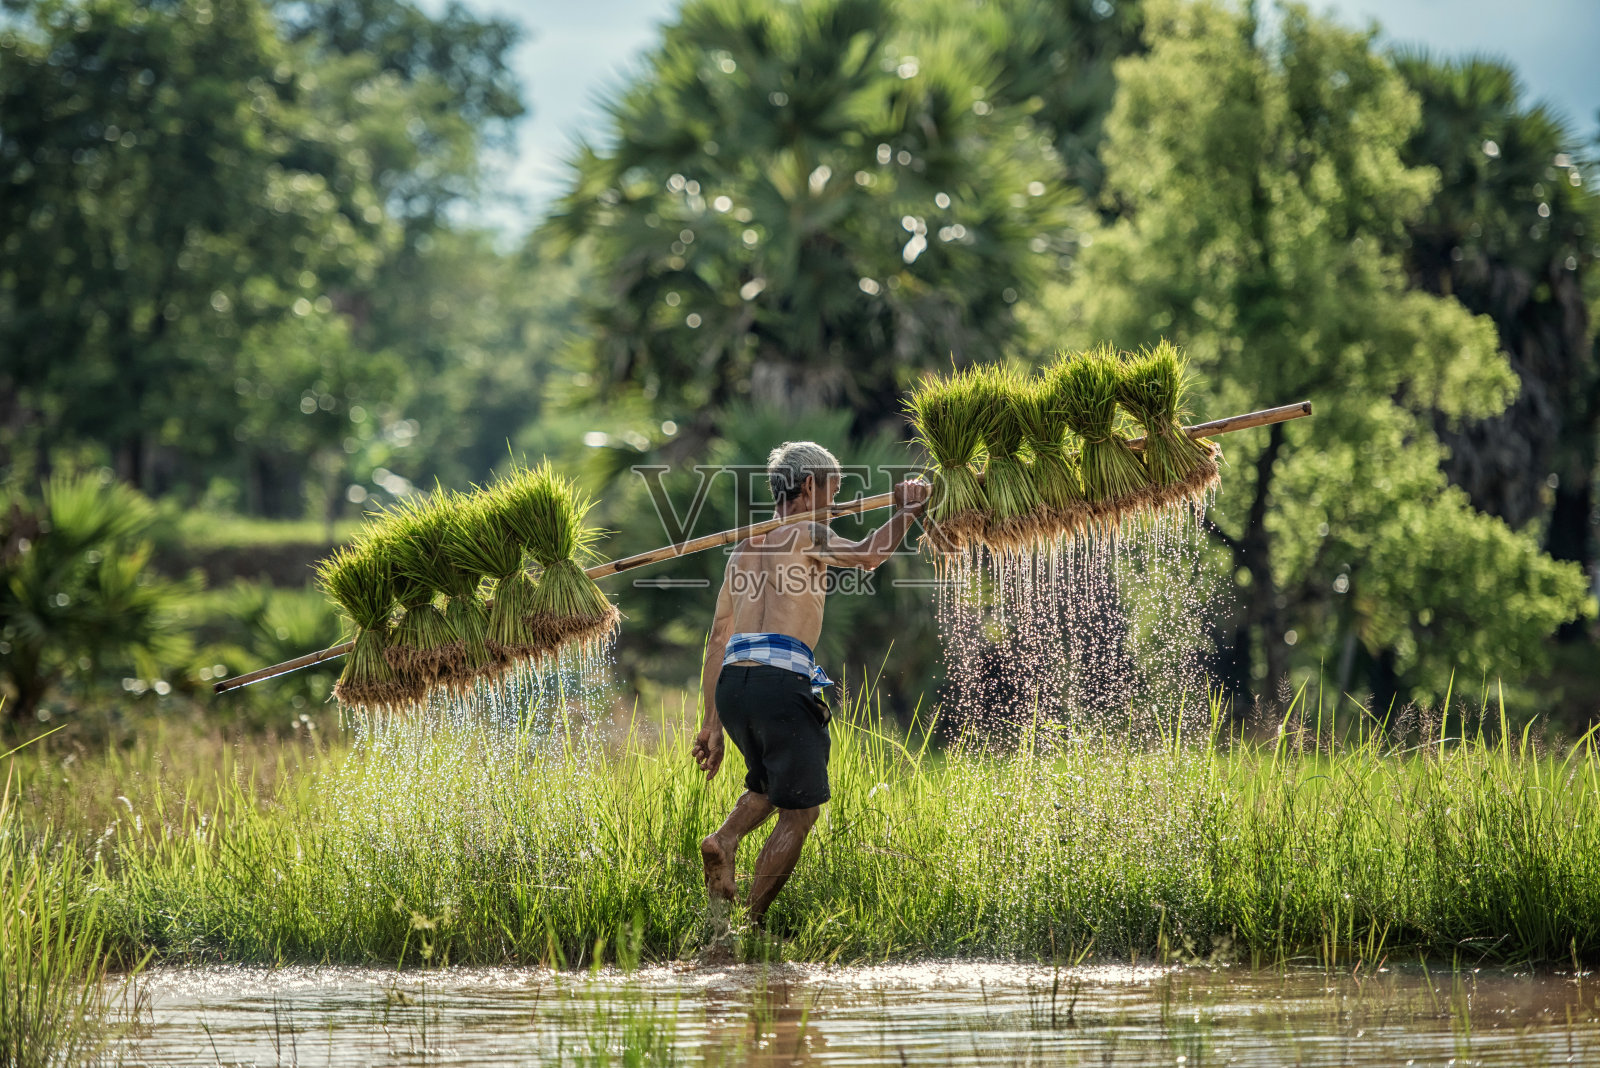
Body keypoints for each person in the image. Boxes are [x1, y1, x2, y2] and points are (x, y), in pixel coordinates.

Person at [692, 441, 929, 926]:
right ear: (807, 488)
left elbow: (719, 639)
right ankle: (752, 923)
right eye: (834, 493)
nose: (837, 506)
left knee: (768, 788)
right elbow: (867, 556)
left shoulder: (743, 550)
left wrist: (711, 725)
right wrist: (907, 510)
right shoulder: (805, 533)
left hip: (735, 689)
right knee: (801, 813)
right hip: (781, 681)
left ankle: (720, 922)